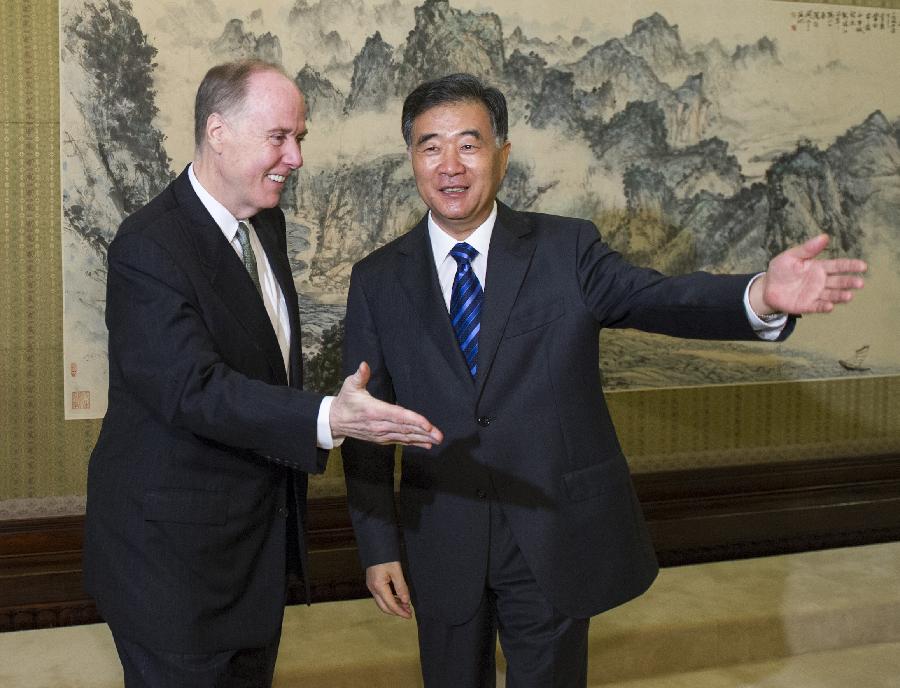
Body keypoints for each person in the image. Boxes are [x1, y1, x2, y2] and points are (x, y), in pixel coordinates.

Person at [340, 73, 867, 688]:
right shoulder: (377, 279)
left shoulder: (566, 249)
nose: (449, 165)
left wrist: (760, 295)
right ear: (412, 158)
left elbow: (662, 298)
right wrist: (377, 545)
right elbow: (364, 419)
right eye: (431, 146)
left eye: (469, 143)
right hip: (442, 536)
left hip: (553, 534)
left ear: (502, 155)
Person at [83, 59, 442, 688]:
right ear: (217, 132)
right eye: (279, 137)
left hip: (253, 553)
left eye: (299, 137)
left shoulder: (264, 222)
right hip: (174, 566)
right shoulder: (148, 246)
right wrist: (330, 417)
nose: (295, 157)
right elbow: (193, 390)